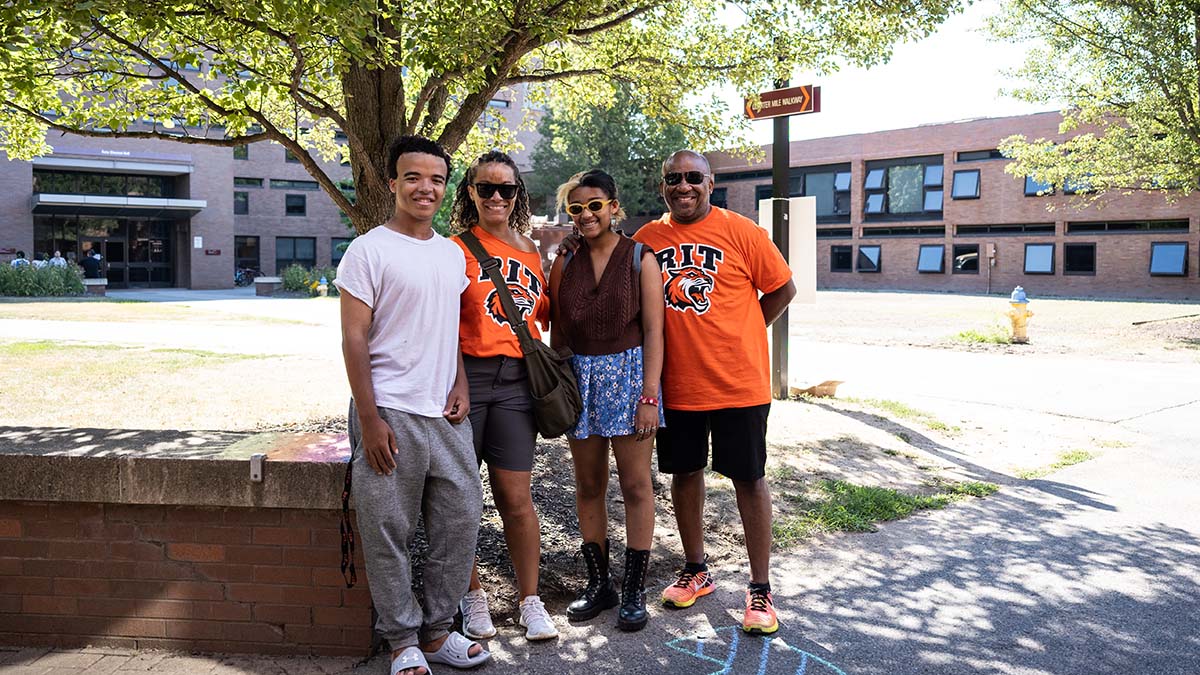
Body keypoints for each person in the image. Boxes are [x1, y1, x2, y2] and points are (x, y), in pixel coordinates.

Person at [334, 135, 489, 675]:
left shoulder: (451, 254)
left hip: (444, 414)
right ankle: (402, 641)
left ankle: (439, 630)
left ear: (446, 188)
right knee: (387, 530)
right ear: (394, 183)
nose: (426, 187)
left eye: (437, 179)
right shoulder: (368, 249)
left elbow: (448, 332)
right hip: (389, 412)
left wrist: (461, 383)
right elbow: (355, 339)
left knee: (460, 519)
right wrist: (370, 421)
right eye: (414, 177)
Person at [632, 150, 797, 635]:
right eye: (673, 179)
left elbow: (783, 289)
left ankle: (761, 587)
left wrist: (747, 329)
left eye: (692, 178)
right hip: (678, 385)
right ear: (663, 185)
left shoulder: (742, 231)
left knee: (748, 479)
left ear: (710, 182)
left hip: (739, 383)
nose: (683, 186)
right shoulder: (647, 239)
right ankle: (696, 568)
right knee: (685, 475)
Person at [448, 150, 558, 642]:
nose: (495, 196)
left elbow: (543, 318)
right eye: (485, 187)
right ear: (469, 192)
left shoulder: (534, 251)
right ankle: (472, 600)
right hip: (465, 379)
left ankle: (530, 601)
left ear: (518, 194)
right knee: (460, 498)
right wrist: (456, 380)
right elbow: (441, 323)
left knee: (516, 498)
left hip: (517, 383)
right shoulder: (454, 248)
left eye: (506, 188)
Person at [548, 169, 665, 632]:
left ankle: (634, 588)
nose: (586, 215)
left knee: (637, 486)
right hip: (582, 380)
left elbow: (656, 331)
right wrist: (560, 387)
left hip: (632, 379)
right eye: (576, 209)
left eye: (594, 205)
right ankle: (600, 584)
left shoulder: (641, 257)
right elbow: (558, 334)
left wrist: (650, 397)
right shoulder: (564, 262)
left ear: (614, 206)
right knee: (588, 486)